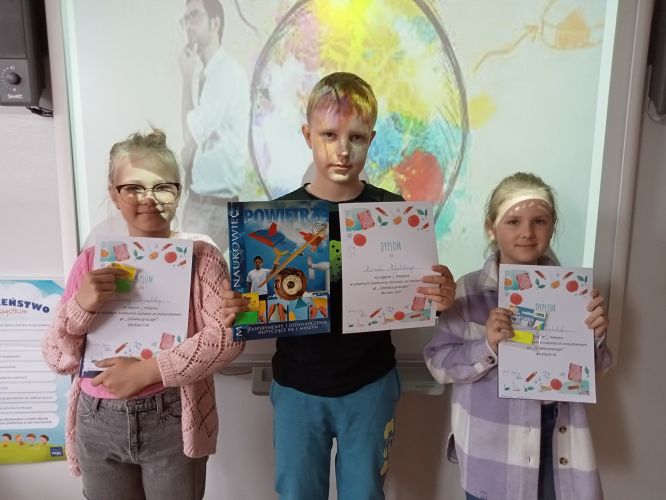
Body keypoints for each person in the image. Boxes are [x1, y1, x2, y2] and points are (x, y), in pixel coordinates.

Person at [222, 72, 456, 499]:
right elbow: (256, 305)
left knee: (364, 493)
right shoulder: (277, 218)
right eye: (329, 135)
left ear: (372, 139)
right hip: (296, 387)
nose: (343, 150)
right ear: (307, 135)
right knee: (297, 492)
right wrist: (239, 305)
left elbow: (421, 295)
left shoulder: (393, 212)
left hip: (369, 384)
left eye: (357, 137)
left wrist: (440, 294)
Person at [42, 129, 244, 500]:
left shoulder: (203, 258)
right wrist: (80, 307)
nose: (148, 199)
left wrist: (148, 371)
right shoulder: (91, 261)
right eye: (133, 188)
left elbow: (227, 339)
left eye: (162, 187)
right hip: (97, 417)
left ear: (179, 192)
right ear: (113, 194)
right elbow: (57, 357)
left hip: (172, 416)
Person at [424, 172, 612, 500]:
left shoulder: (573, 292)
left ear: (552, 226)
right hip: (491, 454)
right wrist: (487, 346)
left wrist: (594, 338)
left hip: (557, 444)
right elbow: (438, 364)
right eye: (513, 221)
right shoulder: (467, 291)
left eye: (539, 221)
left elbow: (592, 373)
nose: (527, 232)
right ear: (491, 228)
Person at [179, 0, 251, 254]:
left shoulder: (223, 74)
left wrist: (186, 78)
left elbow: (190, 135)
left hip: (212, 208)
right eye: (185, 19)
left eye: (195, 16)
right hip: (205, 204)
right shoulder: (212, 74)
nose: (188, 26)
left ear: (215, 23)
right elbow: (191, 145)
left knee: (196, 275)